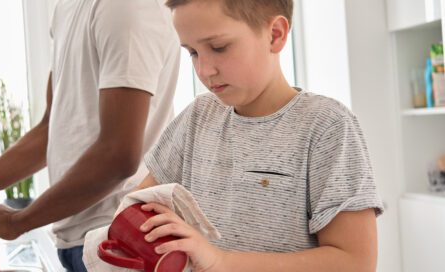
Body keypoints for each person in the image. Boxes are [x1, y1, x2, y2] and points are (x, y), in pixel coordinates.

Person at [0, 0, 180, 270]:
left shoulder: (127, 7)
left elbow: (118, 156)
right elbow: (50, 131)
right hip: (78, 242)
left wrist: (20, 220)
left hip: (119, 240)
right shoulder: (68, 8)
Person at [133, 0, 384, 271]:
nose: (204, 70)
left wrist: (219, 261)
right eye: (193, 52)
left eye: (219, 47)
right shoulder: (198, 116)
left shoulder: (326, 126)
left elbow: (355, 262)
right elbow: (139, 203)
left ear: (275, 34)